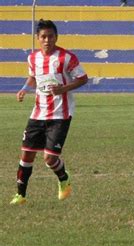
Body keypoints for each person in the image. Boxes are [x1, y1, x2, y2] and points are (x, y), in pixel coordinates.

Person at [10, 19, 88, 205]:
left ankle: (63, 178)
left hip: (60, 114)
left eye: (51, 36)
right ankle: (21, 195)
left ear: (56, 37)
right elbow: (32, 78)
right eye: (43, 37)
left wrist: (64, 88)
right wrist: (24, 89)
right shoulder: (32, 58)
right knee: (26, 154)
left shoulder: (66, 58)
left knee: (49, 158)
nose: (47, 40)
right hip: (38, 113)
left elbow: (83, 78)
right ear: (37, 38)